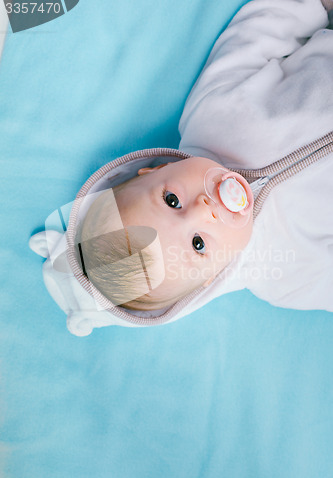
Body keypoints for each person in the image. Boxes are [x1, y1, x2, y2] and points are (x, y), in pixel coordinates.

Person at [30, 0, 333, 335]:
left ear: (153, 171)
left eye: (172, 201)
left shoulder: (211, 115)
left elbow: (257, 37)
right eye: (198, 244)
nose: (204, 211)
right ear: (211, 278)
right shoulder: (286, 276)